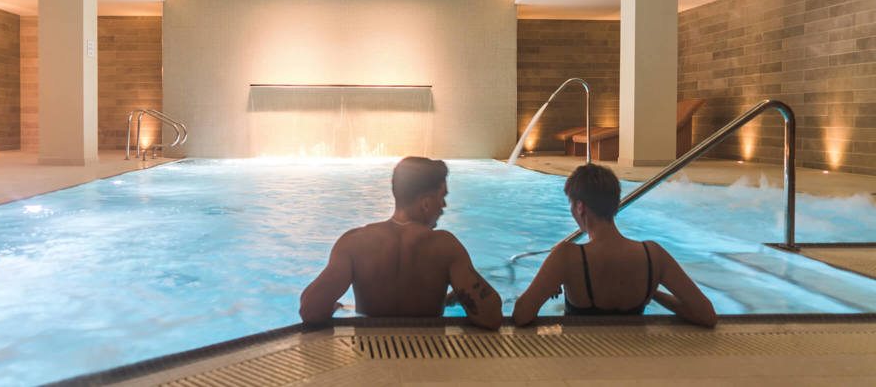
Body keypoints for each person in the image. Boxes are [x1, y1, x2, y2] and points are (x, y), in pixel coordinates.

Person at [299, 156, 503, 330]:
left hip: (369, 360)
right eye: (442, 197)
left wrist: (332, 306)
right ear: (425, 202)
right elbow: (491, 317)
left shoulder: (353, 243)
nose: (444, 205)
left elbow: (310, 310)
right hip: (429, 358)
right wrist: (462, 291)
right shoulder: (445, 246)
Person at [513, 163, 716, 327]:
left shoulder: (567, 256)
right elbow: (706, 315)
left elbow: (521, 315)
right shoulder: (653, 255)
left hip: (579, 365)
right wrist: (651, 291)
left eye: (571, 204)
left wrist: (549, 286)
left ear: (580, 206)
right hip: (633, 364)